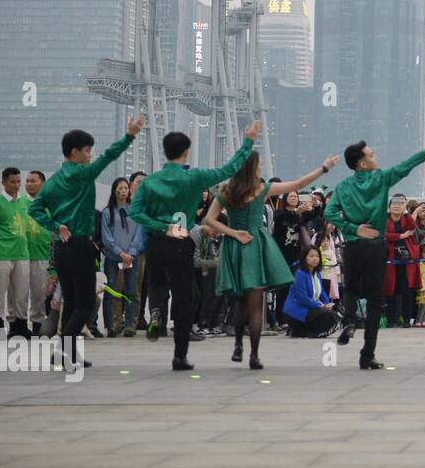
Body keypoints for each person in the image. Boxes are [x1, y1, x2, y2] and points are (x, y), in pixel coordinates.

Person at [129, 121, 259, 370]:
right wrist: (248, 141)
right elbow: (229, 169)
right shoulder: (194, 177)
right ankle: (180, 356)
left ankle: (155, 311)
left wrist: (158, 225)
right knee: (183, 296)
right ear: (186, 152)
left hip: (156, 243)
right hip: (181, 241)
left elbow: (134, 212)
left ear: (165, 152)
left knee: (155, 283)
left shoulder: (149, 182)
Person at [324, 124, 425, 369]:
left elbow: (329, 211)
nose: (375, 157)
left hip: (353, 246)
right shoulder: (381, 179)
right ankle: (367, 354)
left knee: (350, 286)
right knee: (375, 300)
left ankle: (349, 320)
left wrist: (352, 228)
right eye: (371, 155)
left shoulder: (342, 187)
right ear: (362, 163)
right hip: (375, 246)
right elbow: (407, 165)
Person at [203, 151, 337, 368]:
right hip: (256, 244)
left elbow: (209, 219)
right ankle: (254, 355)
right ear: (254, 168)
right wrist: (324, 168)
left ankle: (238, 343)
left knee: (241, 301)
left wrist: (233, 233)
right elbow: (299, 182)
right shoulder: (261, 189)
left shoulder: (226, 191)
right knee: (255, 303)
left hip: (235, 246)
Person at [30, 116, 145, 367]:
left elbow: (35, 209)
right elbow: (109, 156)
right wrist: (130, 135)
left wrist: (55, 225)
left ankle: (69, 354)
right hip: (81, 245)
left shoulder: (53, 183)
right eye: (87, 150)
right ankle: (62, 350)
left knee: (71, 301)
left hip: (61, 247)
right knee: (86, 302)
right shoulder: (83, 174)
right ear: (75, 152)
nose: (91, 155)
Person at [0, 168, 31, 337]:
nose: (17, 185)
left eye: (19, 181)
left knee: (21, 292)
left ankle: (20, 327)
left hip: (22, 254)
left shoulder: (26, 202)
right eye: (13, 182)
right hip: (1, 255)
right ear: (3, 182)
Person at [99, 176, 145, 337]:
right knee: (112, 289)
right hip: (113, 257)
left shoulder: (135, 210)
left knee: (131, 290)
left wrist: (131, 253)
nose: (123, 191)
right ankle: (112, 324)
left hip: (132, 257)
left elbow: (138, 234)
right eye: (120, 188)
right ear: (114, 191)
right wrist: (120, 253)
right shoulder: (107, 212)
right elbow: (106, 237)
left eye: (125, 188)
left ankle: (130, 325)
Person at [282, 245, 339, 337]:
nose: (315, 259)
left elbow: (322, 293)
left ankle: (300, 332)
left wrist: (327, 304)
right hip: (295, 312)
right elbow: (302, 297)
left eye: (317, 256)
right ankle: (305, 331)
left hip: (309, 309)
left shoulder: (318, 274)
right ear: (304, 258)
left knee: (333, 315)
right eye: (311, 256)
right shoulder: (300, 273)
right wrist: (320, 306)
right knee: (329, 316)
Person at [23, 170, 52, 336]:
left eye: (33, 181)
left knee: (39, 294)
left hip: (42, 256)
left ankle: (38, 325)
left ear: (42, 183)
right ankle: (17, 325)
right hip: (20, 256)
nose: (28, 184)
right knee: (18, 294)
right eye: (27, 181)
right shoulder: (20, 204)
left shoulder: (50, 205)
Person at [383, 196, 419, 328]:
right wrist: (400, 236)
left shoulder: (406, 218)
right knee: (391, 289)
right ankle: (391, 319)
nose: (397, 206)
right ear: (389, 206)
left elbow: (413, 227)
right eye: (394, 204)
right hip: (390, 258)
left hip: (406, 258)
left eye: (400, 204)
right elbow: (383, 234)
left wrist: (406, 212)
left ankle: (406, 319)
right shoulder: (384, 219)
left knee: (407, 289)